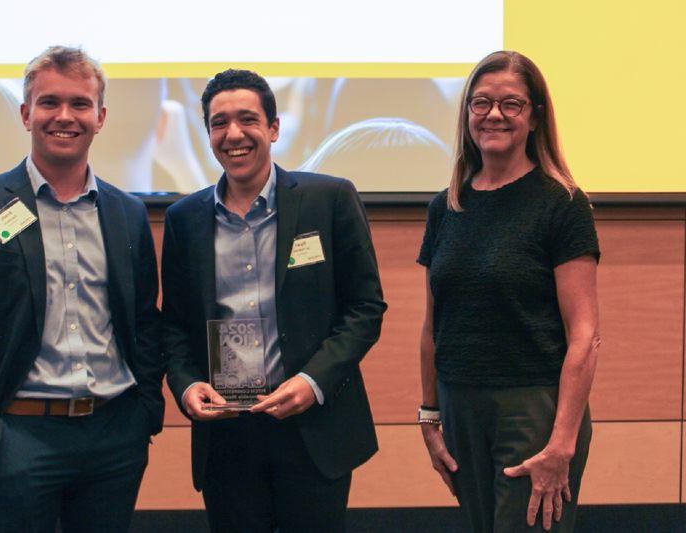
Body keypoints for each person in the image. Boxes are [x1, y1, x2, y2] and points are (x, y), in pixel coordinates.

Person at [0, 46, 165, 533]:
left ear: (101, 117)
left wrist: (145, 412)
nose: (64, 117)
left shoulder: (127, 213)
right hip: (18, 434)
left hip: (115, 435)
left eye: (80, 104)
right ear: (27, 113)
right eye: (49, 103)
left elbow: (143, 322)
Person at [161, 69, 386, 532]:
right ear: (207, 134)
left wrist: (312, 381)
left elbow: (365, 309)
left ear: (274, 128)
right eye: (219, 123)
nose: (234, 134)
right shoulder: (185, 219)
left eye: (247, 119)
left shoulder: (330, 199)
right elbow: (174, 326)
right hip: (226, 432)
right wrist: (185, 386)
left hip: (312, 425)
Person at [417, 51, 600, 532]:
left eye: (511, 104)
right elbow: (434, 324)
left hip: (534, 409)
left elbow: (585, 335)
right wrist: (429, 414)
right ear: (467, 114)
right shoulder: (447, 205)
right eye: (481, 103)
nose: (493, 114)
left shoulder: (562, 203)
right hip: (460, 406)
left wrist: (562, 442)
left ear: (535, 116)